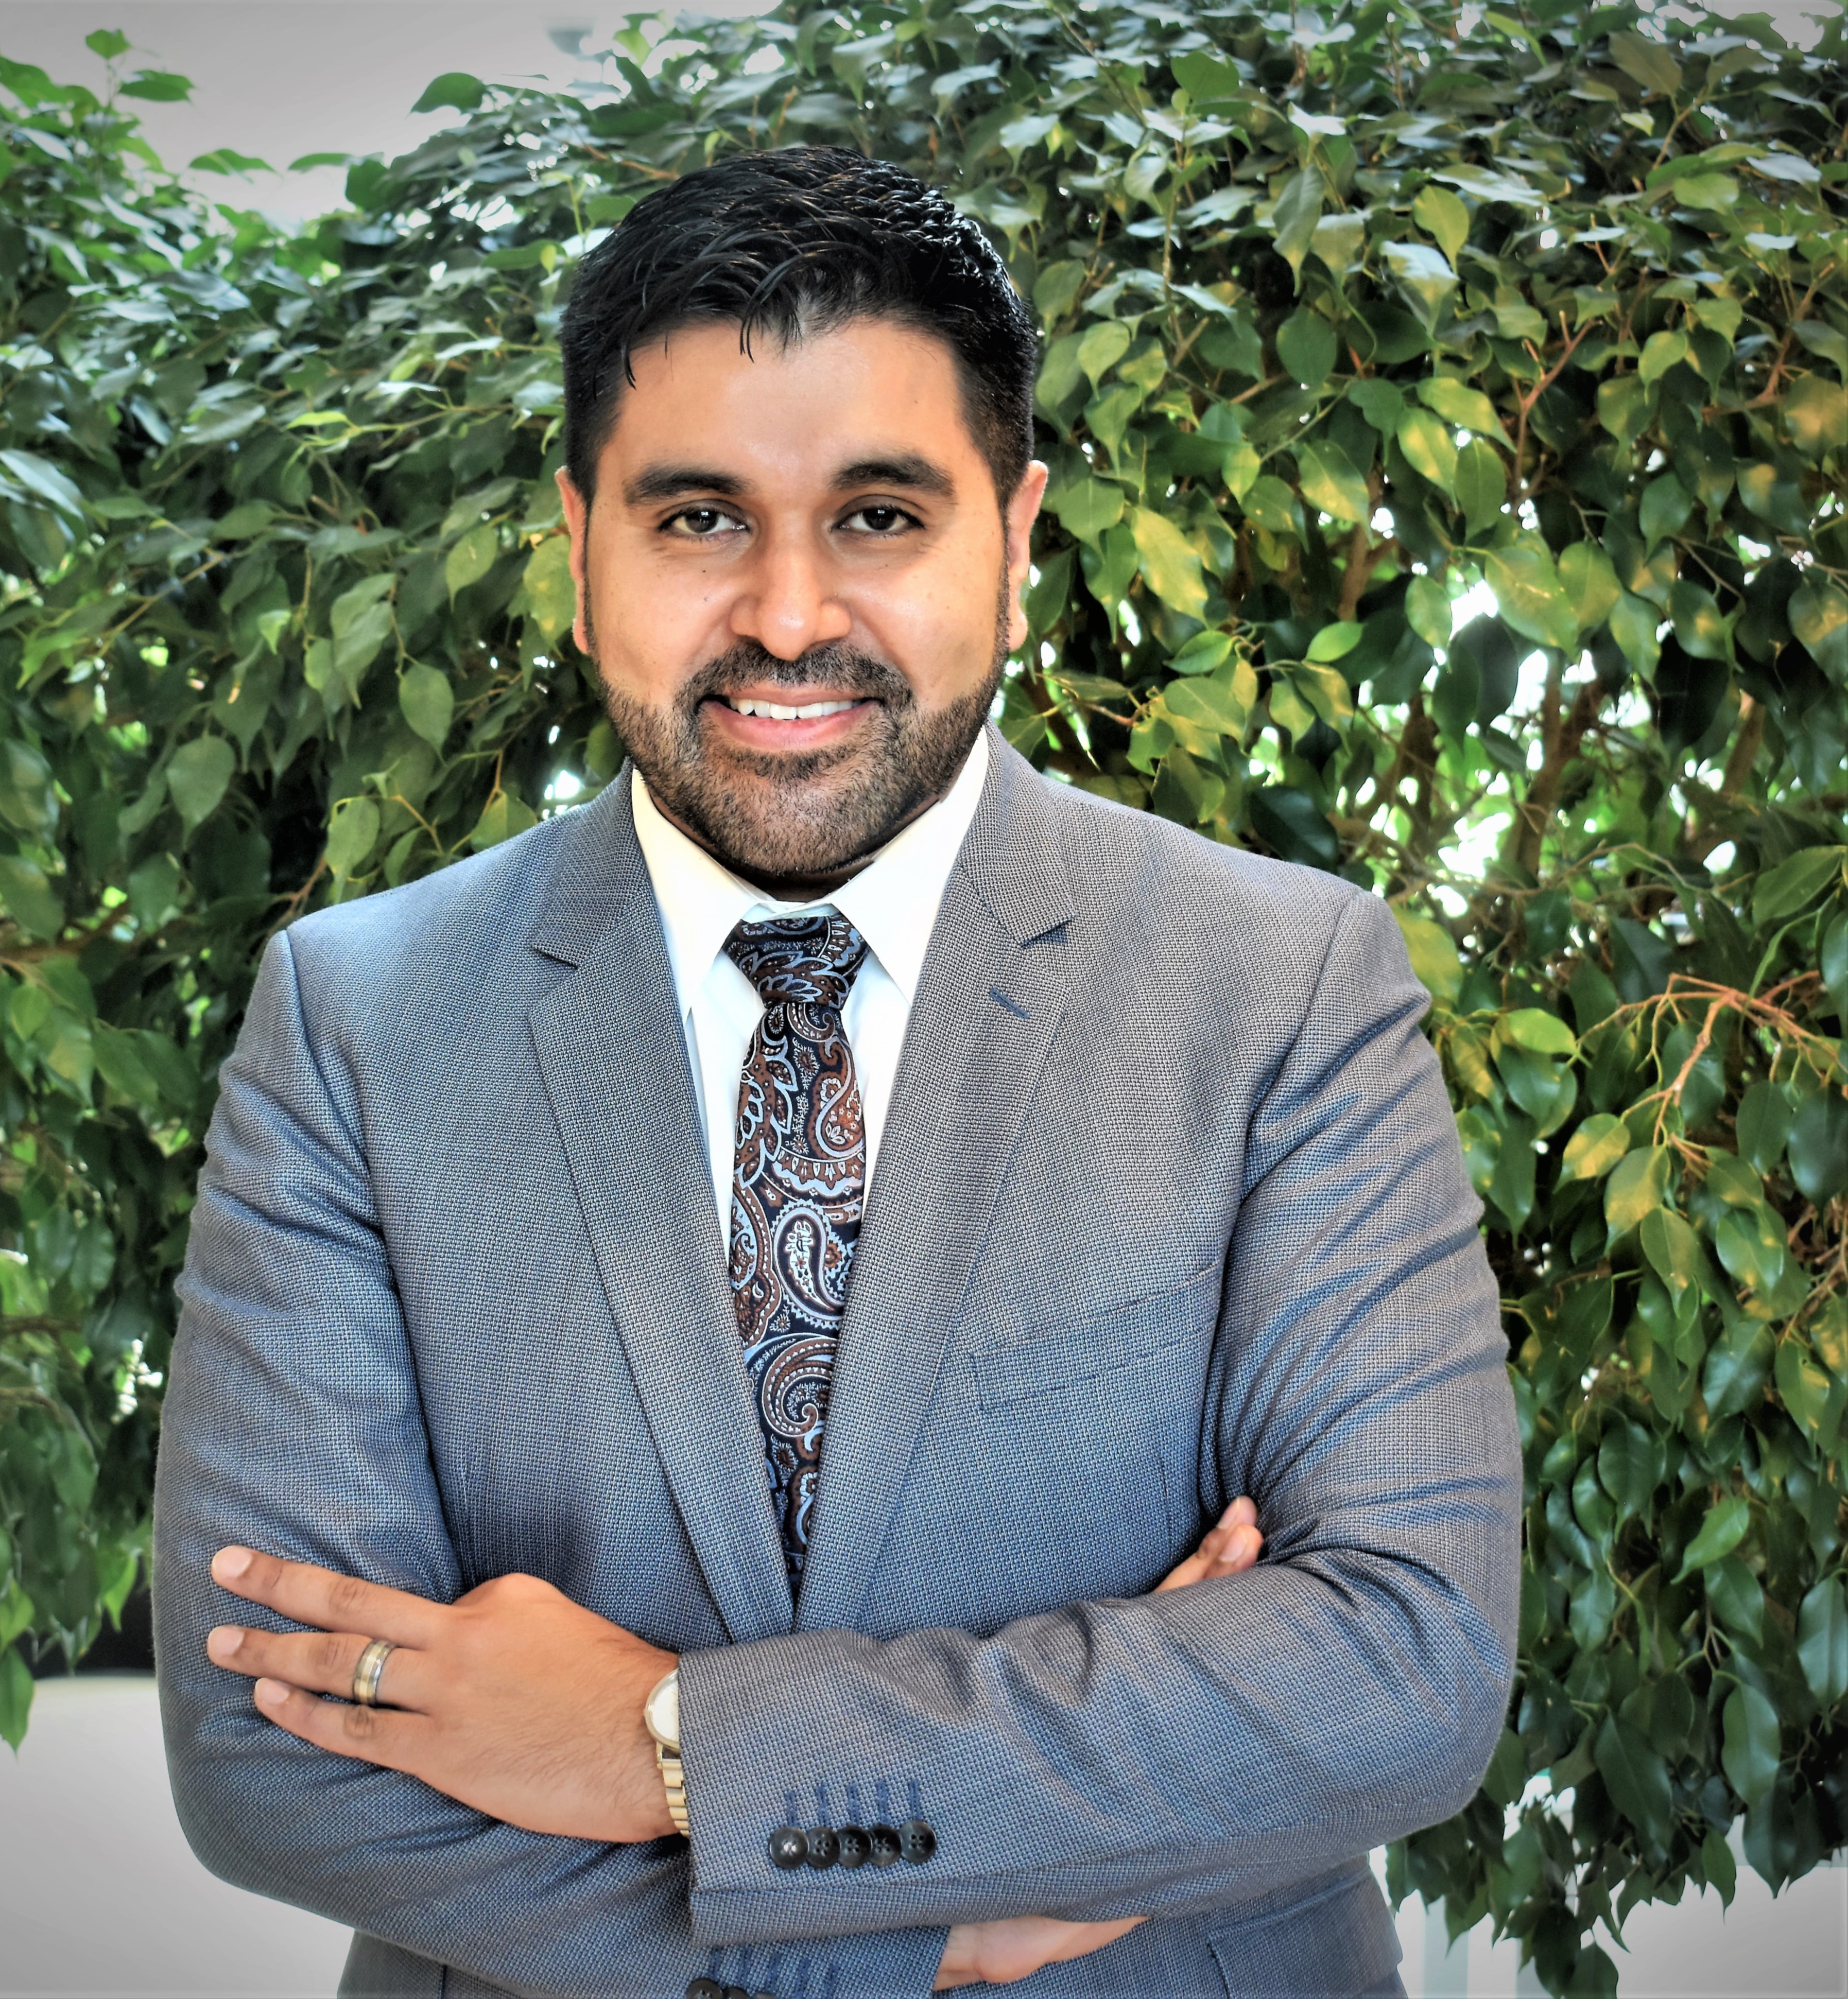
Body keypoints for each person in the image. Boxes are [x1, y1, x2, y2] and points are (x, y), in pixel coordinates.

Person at [153, 146, 1522, 1998]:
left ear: (1013, 544)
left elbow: (1399, 1666)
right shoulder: (356, 1019)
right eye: (697, 518)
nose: (789, 615)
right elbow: (271, 1750)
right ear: (578, 549)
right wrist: (926, 1928)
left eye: (878, 515)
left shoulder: (1280, 985)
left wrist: (668, 1744)